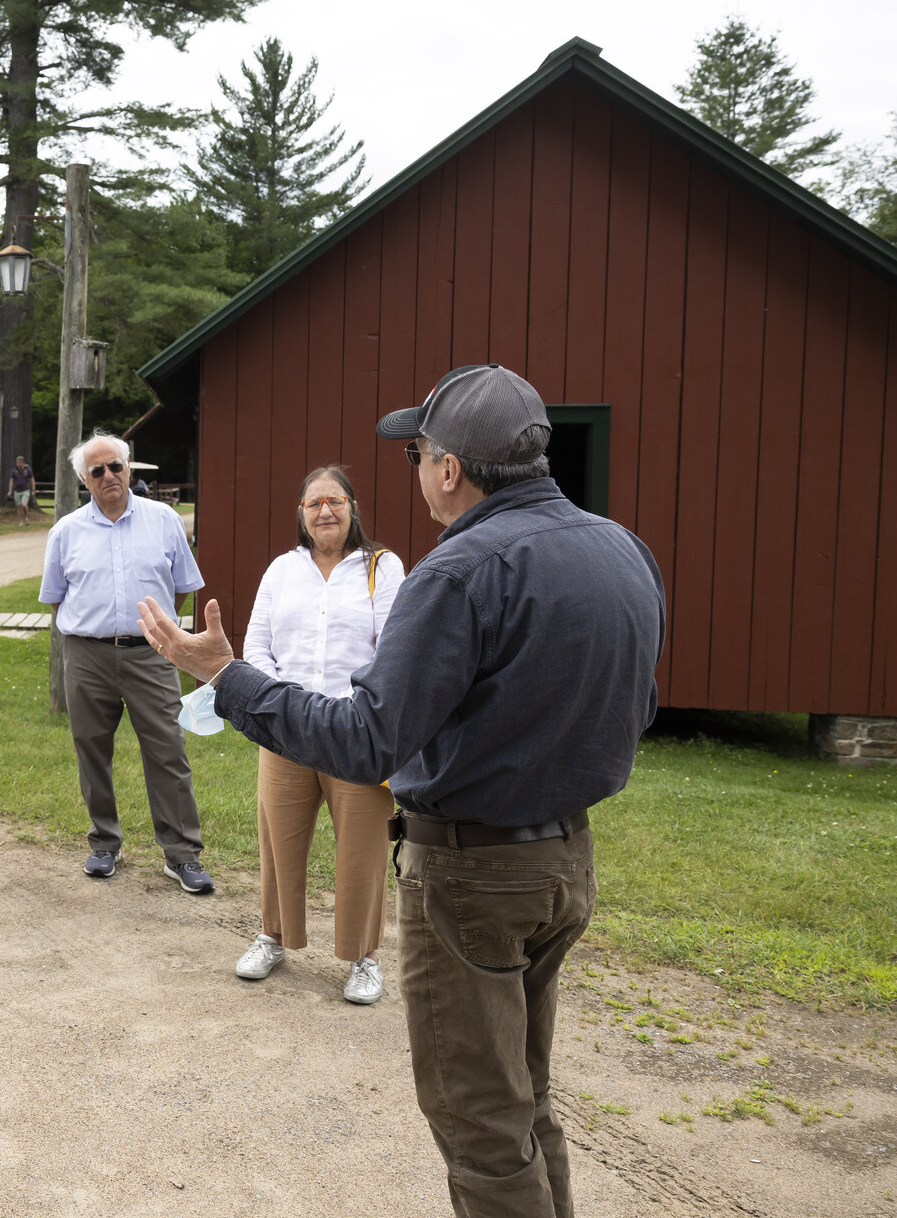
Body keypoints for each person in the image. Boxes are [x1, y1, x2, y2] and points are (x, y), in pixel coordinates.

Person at [140, 364, 664, 1218]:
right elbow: (633, 708)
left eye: (417, 451)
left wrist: (225, 677)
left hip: (473, 873)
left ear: (449, 467)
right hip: (566, 863)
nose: (414, 468)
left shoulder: (456, 571)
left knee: (481, 1120)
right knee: (524, 1097)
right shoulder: (621, 548)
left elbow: (366, 740)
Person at [234, 465, 405, 1005]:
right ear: (301, 515)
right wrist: (280, 702)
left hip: (356, 732)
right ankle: (273, 936)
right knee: (278, 839)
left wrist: (358, 708)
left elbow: (392, 650)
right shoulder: (282, 570)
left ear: (353, 506)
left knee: (363, 847)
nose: (325, 511)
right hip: (287, 730)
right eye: (314, 504)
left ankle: (363, 958)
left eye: (335, 501)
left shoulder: (382, 567)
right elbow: (256, 644)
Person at [40, 429, 213, 894]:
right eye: (97, 470)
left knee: (167, 750)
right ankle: (104, 843)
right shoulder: (66, 532)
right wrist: (93, 628)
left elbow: (180, 587)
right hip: (86, 656)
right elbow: (57, 599)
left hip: (152, 653)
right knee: (91, 749)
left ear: (129, 468)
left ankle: (181, 855)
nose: (109, 475)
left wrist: (156, 631)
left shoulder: (164, 521)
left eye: (116, 466)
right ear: (84, 479)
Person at [8, 455, 35, 525]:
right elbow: (11, 480)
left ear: (23, 463)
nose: (19, 464)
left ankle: (26, 517)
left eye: (20, 463)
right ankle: (20, 521)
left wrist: (33, 490)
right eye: (18, 463)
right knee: (19, 507)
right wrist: (10, 491)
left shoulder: (27, 470)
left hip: (25, 490)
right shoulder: (14, 470)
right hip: (17, 490)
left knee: (24, 505)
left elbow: (32, 479)